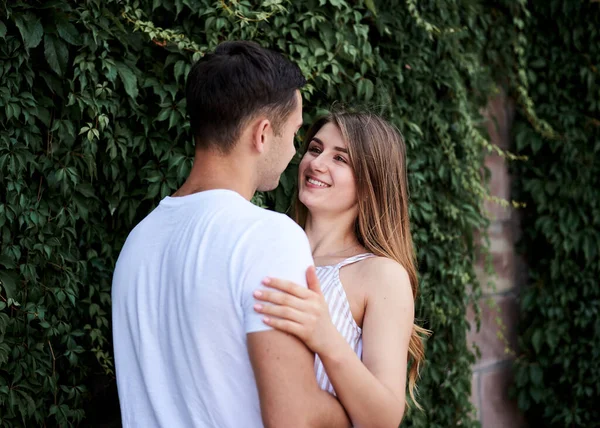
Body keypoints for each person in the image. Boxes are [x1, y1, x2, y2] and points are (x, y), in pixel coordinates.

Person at [111, 41, 351, 428]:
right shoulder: (268, 236)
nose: (294, 151)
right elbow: (294, 419)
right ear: (262, 134)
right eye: (294, 133)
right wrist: (357, 413)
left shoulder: (138, 241)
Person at [252, 111, 430, 427]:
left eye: (340, 159)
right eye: (316, 149)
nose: (317, 164)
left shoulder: (380, 275)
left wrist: (325, 337)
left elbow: (384, 418)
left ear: (370, 181)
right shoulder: (265, 247)